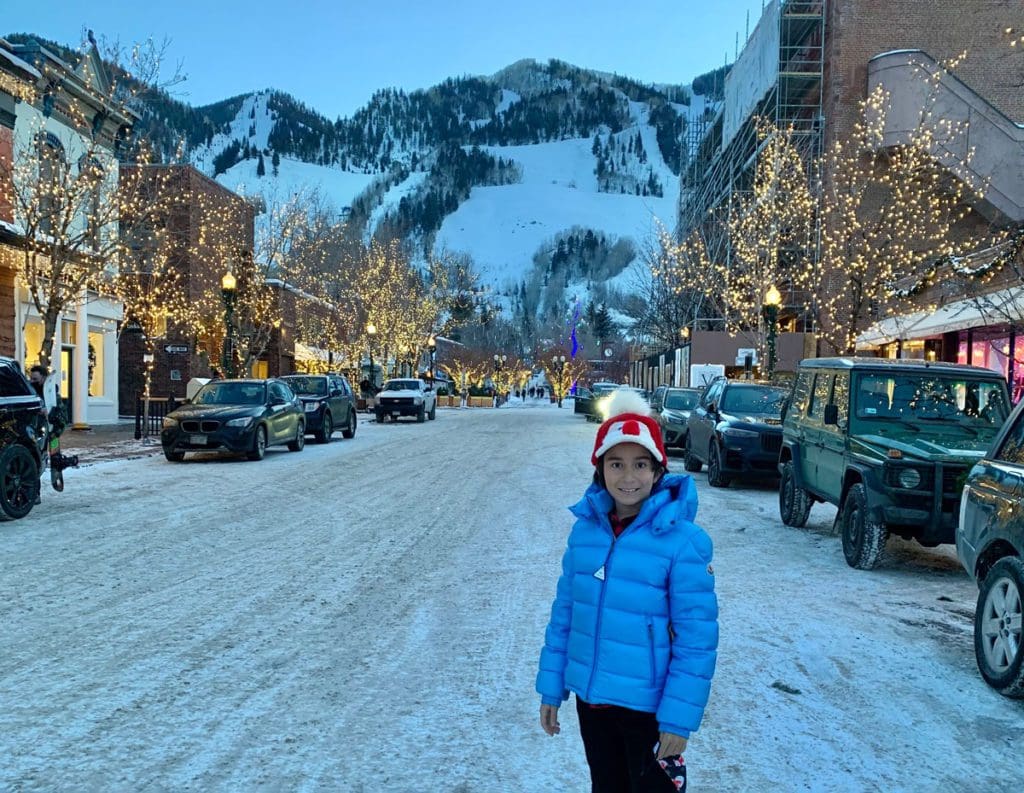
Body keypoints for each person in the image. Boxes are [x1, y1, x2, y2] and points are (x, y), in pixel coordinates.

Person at [537, 389, 718, 792]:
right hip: (593, 703)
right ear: (600, 470)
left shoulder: (683, 542)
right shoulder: (585, 534)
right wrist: (552, 686)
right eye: (616, 464)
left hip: (648, 710)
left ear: (657, 470)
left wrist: (677, 718)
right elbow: (566, 613)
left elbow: (697, 640)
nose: (628, 477)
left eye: (640, 464)